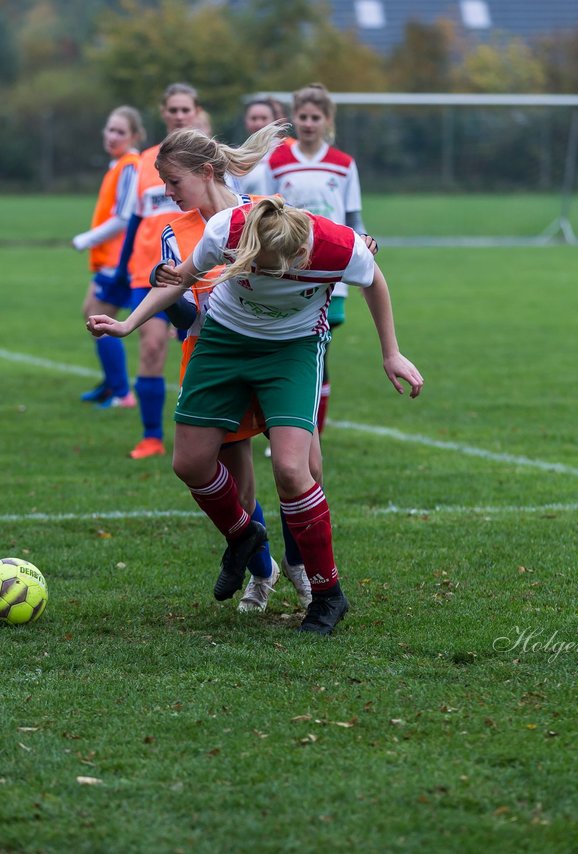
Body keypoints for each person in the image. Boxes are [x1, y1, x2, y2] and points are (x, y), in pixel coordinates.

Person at [87, 196, 423, 635]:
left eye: (272, 268)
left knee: (292, 468)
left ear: (299, 253)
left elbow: (374, 282)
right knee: (189, 463)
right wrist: (128, 324)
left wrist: (391, 353)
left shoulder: (338, 247)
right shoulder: (226, 230)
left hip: (292, 349)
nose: (264, 274)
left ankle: (327, 595)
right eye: (256, 266)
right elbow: (181, 279)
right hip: (224, 341)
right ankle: (245, 535)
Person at [152, 121, 304, 613]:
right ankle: (263, 573)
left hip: (277, 352)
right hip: (211, 356)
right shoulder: (173, 232)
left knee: (299, 470)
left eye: (173, 182)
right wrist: (165, 292)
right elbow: (188, 316)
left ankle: (309, 577)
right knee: (237, 484)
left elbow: (308, 253)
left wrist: (362, 241)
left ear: (204, 170)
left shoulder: (259, 215)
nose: (166, 192)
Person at [106, 83, 203, 459]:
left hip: (198, 274)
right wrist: (120, 269)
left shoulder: (208, 158)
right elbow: (134, 219)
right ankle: (151, 436)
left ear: (196, 112)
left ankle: (202, 433)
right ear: (163, 112)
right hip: (149, 272)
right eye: (173, 109)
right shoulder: (146, 160)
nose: (179, 115)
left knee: (197, 354)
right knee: (150, 347)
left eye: (185, 109)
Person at [268, 83, 366, 433]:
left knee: (315, 352)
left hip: (331, 271)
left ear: (327, 120)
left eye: (315, 117)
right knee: (287, 351)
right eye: (303, 116)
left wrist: (362, 246)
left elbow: (354, 219)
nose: (308, 123)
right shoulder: (277, 162)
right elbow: (265, 212)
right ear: (294, 118)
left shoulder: (342, 165)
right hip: (287, 270)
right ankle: (289, 430)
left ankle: (309, 434)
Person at [73, 106, 144, 408]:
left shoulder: (130, 165)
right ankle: (110, 383)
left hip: (120, 262)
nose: (112, 136)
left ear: (135, 136)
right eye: (110, 129)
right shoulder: (116, 165)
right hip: (107, 259)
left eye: (120, 132)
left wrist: (85, 239)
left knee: (99, 320)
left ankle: (121, 393)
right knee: (89, 311)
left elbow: (125, 217)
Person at [236, 96, 285, 196]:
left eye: (264, 118)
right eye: (253, 118)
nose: (259, 123)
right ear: (246, 121)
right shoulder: (238, 155)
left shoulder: (286, 151)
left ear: (274, 121)